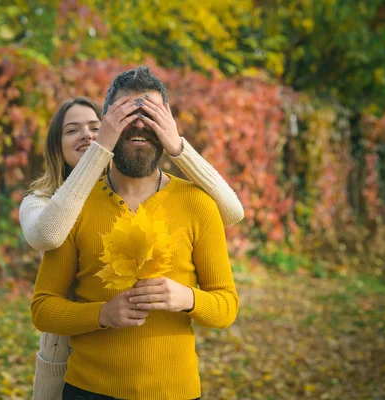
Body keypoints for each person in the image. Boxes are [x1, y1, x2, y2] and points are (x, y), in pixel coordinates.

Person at [29, 66, 239, 399]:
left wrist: (187, 298)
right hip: (88, 390)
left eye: (151, 114)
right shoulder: (74, 203)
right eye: (127, 113)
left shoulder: (197, 203)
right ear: (108, 124)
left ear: (167, 126)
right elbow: (43, 308)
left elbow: (226, 306)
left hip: (176, 392)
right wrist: (102, 314)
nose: (139, 123)